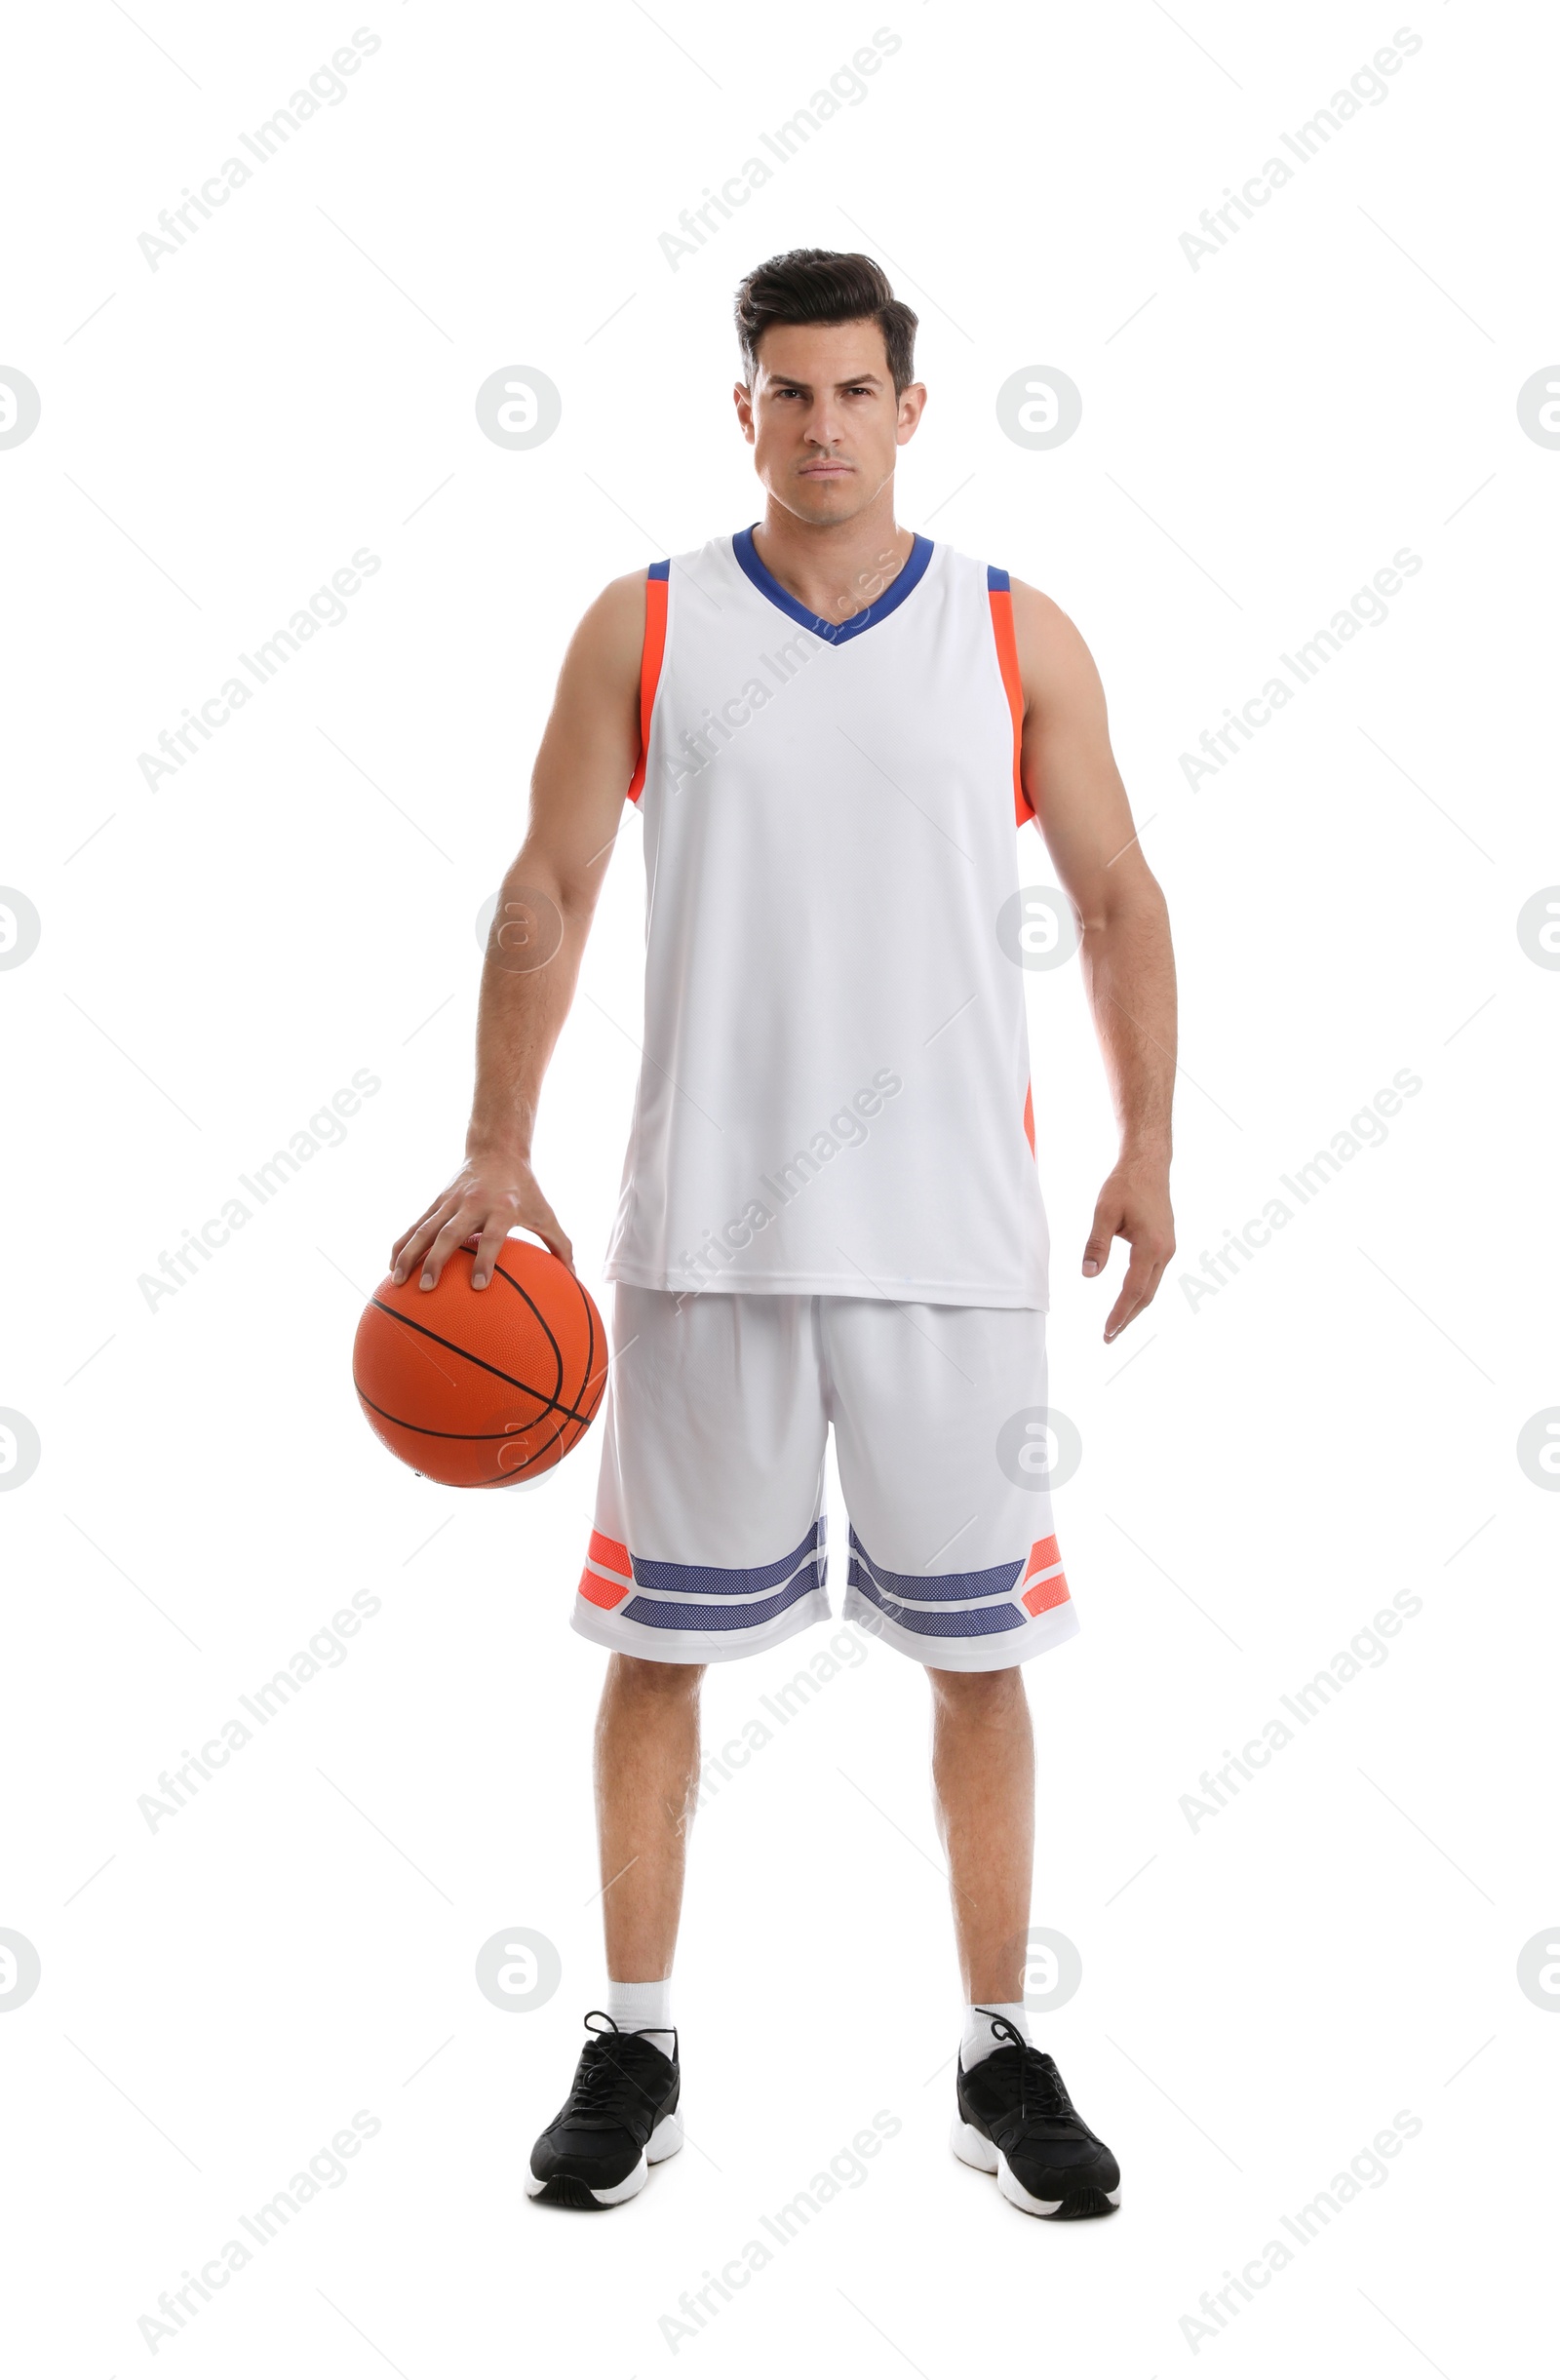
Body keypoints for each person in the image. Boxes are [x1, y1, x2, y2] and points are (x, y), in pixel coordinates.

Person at [392, 249, 1176, 2220]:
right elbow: (547, 889)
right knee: (658, 1649)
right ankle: (634, 2038)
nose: (816, 423)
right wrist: (496, 1141)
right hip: (700, 1242)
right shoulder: (646, 626)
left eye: (850, 391)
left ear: (913, 410)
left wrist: (1146, 1141)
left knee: (975, 1660)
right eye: (782, 390)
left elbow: (1114, 897)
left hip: (950, 1239)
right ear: (734, 408)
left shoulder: (1011, 637)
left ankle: (999, 2053)